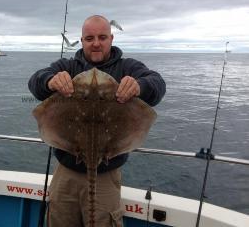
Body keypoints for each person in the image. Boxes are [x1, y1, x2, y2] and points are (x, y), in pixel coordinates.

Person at [28, 15, 166, 227]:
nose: (96, 43)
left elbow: (157, 84)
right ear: (82, 41)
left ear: (111, 38)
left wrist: (140, 86)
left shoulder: (127, 67)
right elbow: (35, 81)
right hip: (67, 171)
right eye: (89, 38)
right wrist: (49, 81)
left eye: (102, 37)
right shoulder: (68, 66)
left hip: (106, 173)